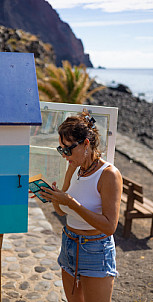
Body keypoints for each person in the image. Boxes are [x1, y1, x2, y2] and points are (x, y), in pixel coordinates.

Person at [40, 110, 122, 302]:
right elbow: (62, 211)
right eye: (61, 150)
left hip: (95, 250)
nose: (64, 156)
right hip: (69, 243)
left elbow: (110, 226)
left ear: (86, 144)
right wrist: (54, 198)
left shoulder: (109, 175)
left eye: (67, 149)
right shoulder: (74, 167)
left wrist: (70, 202)